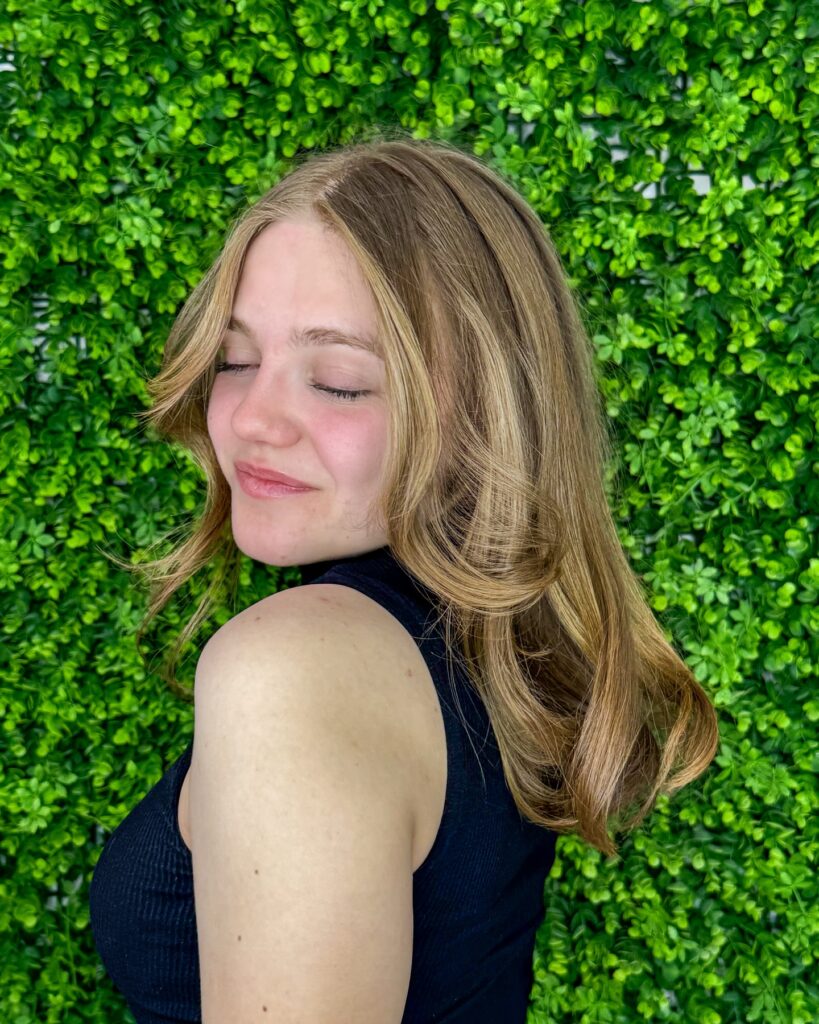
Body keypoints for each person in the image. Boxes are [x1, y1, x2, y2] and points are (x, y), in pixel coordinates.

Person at [89, 128, 719, 1023]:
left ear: (480, 411)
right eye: (235, 359)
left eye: (339, 381)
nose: (253, 418)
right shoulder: (470, 643)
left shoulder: (296, 666)